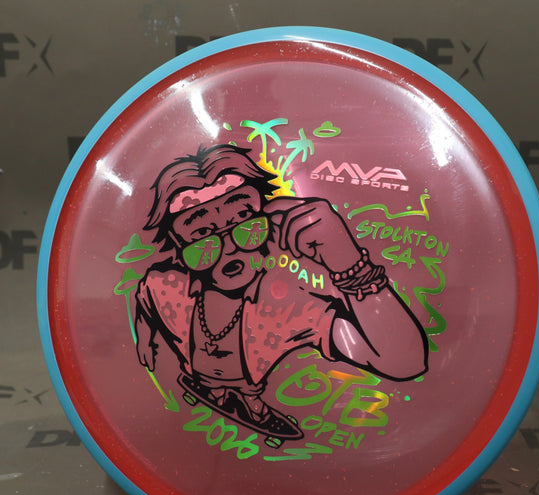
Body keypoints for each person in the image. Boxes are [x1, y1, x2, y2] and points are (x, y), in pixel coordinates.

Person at [135, 144, 428, 441]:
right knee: (211, 385)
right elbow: (145, 302)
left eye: (244, 221)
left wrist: (349, 263)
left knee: (249, 392)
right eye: (201, 234)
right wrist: (145, 340)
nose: (230, 247)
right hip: (191, 402)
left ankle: (253, 408)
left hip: (250, 384)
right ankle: (215, 393)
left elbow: (404, 363)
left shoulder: (287, 308)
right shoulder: (166, 285)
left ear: (270, 219)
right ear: (177, 246)